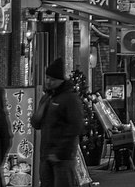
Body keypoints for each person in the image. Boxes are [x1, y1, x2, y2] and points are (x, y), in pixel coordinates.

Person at [30, 58, 85, 187]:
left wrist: (60, 151)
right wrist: (37, 116)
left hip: (63, 158)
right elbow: (36, 124)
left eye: (52, 79)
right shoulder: (47, 98)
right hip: (46, 155)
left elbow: (76, 126)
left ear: (61, 80)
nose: (48, 82)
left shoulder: (70, 98)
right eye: (47, 78)